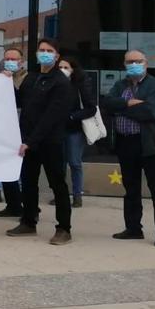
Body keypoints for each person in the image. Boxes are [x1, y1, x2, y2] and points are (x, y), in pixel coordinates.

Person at [5, 38, 75, 246]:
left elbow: (51, 117)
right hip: (28, 142)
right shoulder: (32, 78)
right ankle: (28, 221)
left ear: (56, 56)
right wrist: (5, 83)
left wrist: (32, 140)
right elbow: (18, 103)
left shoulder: (61, 82)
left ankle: (64, 228)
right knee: (28, 183)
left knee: (57, 184)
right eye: (41, 50)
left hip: (50, 142)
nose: (44, 53)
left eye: (49, 50)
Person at [101, 49, 155, 247]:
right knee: (131, 188)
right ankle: (133, 228)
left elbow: (152, 111)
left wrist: (122, 108)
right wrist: (130, 103)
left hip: (149, 144)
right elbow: (107, 103)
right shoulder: (120, 85)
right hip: (126, 143)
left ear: (146, 63)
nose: (133, 64)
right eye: (129, 62)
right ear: (124, 65)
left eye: (137, 61)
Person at [55, 56, 95, 209]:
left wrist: (72, 116)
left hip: (74, 130)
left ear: (73, 70)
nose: (62, 71)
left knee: (74, 162)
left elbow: (90, 108)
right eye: (60, 68)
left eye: (66, 68)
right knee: (60, 164)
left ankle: (77, 195)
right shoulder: (55, 85)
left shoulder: (79, 86)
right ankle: (61, 195)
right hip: (57, 130)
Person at [0, 47, 28, 216]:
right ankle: (12, 205)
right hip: (4, 129)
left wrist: (10, 84)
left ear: (21, 61)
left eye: (14, 59)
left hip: (22, 129)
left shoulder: (28, 79)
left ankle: (27, 206)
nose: (10, 62)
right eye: (7, 58)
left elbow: (23, 100)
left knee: (24, 171)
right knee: (5, 167)